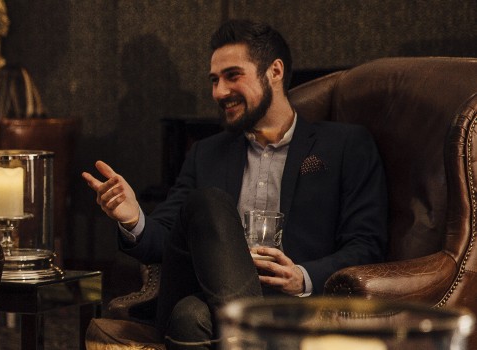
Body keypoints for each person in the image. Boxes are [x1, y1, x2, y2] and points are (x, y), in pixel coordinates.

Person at [81, 20, 387, 349]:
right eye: (214, 80)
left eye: (232, 75)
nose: (218, 92)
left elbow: (366, 245)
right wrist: (133, 219)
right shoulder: (206, 153)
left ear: (275, 71)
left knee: (187, 316)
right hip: (208, 290)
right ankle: (252, 336)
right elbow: (167, 238)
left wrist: (302, 276)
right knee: (208, 202)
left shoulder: (344, 145)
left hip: (295, 304)